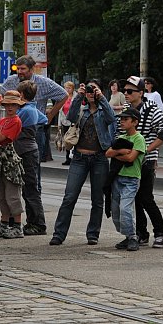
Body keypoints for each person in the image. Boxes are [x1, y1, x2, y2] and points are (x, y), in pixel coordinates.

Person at [49, 80, 116, 246]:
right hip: (79, 158)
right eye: (88, 89)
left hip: (99, 158)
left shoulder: (103, 109)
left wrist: (102, 99)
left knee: (97, 199)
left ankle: (93, 234)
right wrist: (78, 97)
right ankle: (59, 234)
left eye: (94, 89)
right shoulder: (81, 109)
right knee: (69, 197)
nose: (91, 92)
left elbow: (111, 118)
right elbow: (69, 118)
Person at [1, 55, 67, 186]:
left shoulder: (43, 82)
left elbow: (63, 95)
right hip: (15, 127)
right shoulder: (11, 81)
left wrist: (51, 115)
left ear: (31, 69)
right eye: (18, 68)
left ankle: (35, 194)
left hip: (34, 129)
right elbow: (3, 94)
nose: (19, 72)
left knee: (33, 167)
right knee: (13, 162)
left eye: (23, 69)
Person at [121, 76, 163, 248]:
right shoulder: (127, 109)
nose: (126, 94)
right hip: (130, 160)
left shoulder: (151, 109)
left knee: (146, 197)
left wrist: (146, 150)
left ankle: (161, 233)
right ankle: (141, 233)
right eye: (125, 91)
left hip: (146, 161)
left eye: (130, 91)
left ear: (141, 93)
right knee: (135, 198)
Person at [106, 107, 146, 251]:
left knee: (125, 208)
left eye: (126, 119)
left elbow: (131, 157)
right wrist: (120, 151)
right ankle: (126, 235)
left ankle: (132, 236)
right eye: (121, 119)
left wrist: (117, 154)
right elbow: (108, 153)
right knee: (115, 209)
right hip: (118, 178)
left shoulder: (139, 138)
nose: (122, 122)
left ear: (135, 122)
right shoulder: (121, 138)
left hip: (131, 178)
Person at [12, 80, 49, 236]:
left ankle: (38, 223)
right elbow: (44, 120)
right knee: (29, 188)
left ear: (21, 95)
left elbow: (13, 124)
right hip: (29, 150)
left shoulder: (25, 111)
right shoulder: (31, 109)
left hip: (26, 151)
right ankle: (32, 222)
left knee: (31, 189)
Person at [0, 91, 25, 239]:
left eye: (13, 105)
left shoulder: (16, 121)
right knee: (1, 195)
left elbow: (1, 137)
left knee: (12, 196)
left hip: (9, 162)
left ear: (17, 106)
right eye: (7, 104)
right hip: (0, 162)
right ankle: (4, 223)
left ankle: (17, 226)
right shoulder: (3, 121)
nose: (10, 107)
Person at [59, 81, 75, 165]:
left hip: (72, 122)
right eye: (66, 88)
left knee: (72, 140)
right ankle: (67, 158)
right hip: (64, 121)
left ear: (72, 89)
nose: (68, 89)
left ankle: (73, 157)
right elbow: (60, 111)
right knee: (66, 141)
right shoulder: (63, 97)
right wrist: (59, 123)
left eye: (69, 88)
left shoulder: (75, 97)